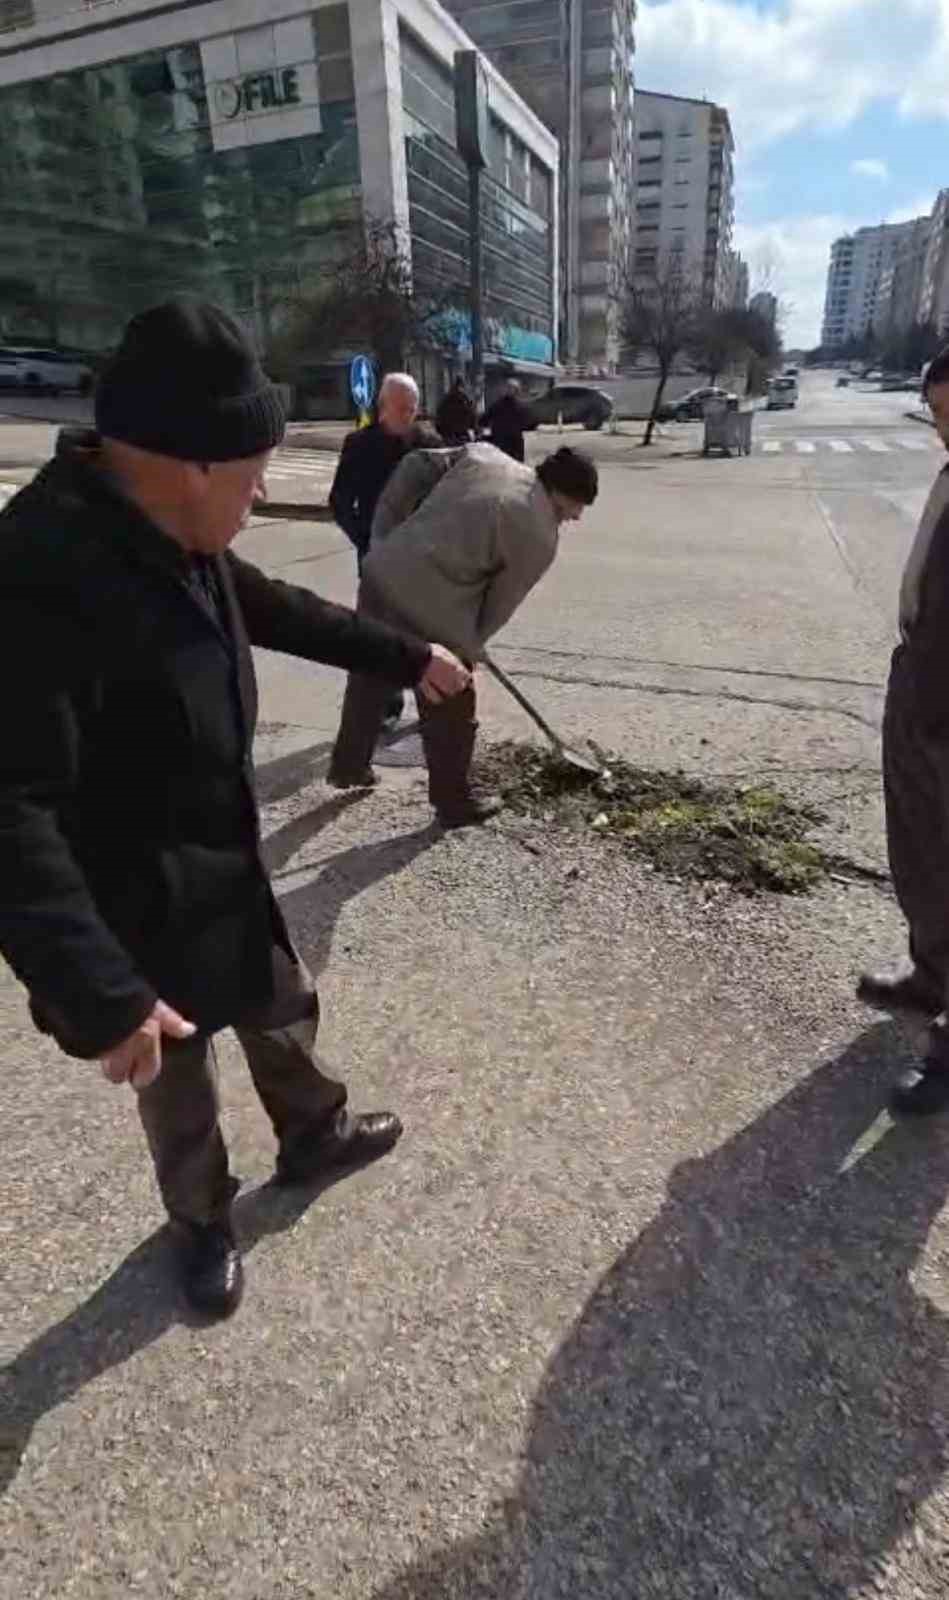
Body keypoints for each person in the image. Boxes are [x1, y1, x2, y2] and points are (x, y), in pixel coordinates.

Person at [0, 300, 470, 1318]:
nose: (263, 492)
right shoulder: (40, 570)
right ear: (192, 462)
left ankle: (313, 1134)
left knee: (281, 1006)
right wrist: (95, 989)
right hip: (133, 909)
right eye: (256, 472)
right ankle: (202, 1221)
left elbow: (274, 608)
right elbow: (11, 806)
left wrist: (406, 654)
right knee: (179, 1089)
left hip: (225, 859)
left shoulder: (178, 530)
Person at [328, 443, 598, 827]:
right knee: (451, 701)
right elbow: (499, 603)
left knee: (370, 673)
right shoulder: (540, 535)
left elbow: (414, 464)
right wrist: (469, 649)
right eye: (579, 505)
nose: (578, 516)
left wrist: (386, 531)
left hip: (381, 575)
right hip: (431, 610)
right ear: (562, 493)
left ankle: (348, 767)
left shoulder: (484, 454)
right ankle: (453, 804)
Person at [858, 345, 949, 1115]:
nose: (943, 431)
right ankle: (930, 974)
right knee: (918, 846)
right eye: (938, 414)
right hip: (923, 683)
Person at [329, 373, 441, 727]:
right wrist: (365, 540)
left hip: (420, 554)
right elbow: (341, 501)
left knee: (421, 629)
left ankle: (431, 704)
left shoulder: (427, 442)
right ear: (383, 407)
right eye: (402, 408)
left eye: (414, 408)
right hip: (376, 554)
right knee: (380, 632)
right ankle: (386, 706)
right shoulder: (359, 445)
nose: (409, 415)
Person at [481, 378, 533, 463]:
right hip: (510, 440)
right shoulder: (519, 406)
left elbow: (484, 420)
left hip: (505, 440)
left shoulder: (499, 405)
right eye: (507, 387)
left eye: (509, 388)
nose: (507, 390)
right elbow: (528, 423)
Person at [436, 376, 476, 445]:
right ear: (462, 386)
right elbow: (471, 413)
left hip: (448, 433)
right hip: (460, 432)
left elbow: (439, 413)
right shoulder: (464, 398)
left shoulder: (447, 399)